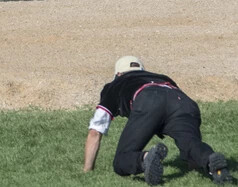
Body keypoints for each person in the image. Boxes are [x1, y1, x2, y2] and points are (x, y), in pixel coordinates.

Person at [83, 56, 231, 185]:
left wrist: (87, 171)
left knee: (121, 161)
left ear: (118, 74)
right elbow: (190, 143)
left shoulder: (115, 84)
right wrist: (195, 162)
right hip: (183, 102)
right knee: (192, 144)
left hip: (149, 99)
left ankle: (146, 158)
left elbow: (95, 132)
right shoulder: (163, 78)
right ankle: (212, 163)